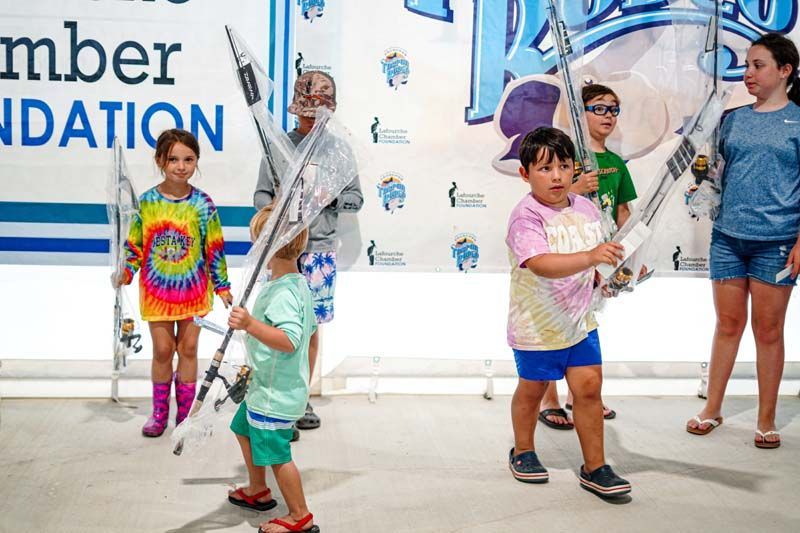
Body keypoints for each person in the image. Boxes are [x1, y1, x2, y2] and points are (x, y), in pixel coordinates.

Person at [686, 33, 800, 449]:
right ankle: (711, 408)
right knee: (727, 325)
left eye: (758, 65)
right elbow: (712, 173)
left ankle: (766, 420)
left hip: (777, 243)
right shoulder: (731, 119)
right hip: (727, 239)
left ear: (784, 71)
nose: (748, 73)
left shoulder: (799, 121)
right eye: (748, 65)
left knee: (768, 331)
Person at [506, 126, 631, 498]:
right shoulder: (525, 216)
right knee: (533, 390)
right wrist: (591, 258)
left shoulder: (587, 208)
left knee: (589, 389)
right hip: (537, 326)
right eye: (544, 169)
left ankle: (596, 466)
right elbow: (541, 263)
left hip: (580, 320)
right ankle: (523, 450)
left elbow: (599, 256)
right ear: (524, 174)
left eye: (563, 165)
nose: (556, 176)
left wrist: (610, 273)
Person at [254, 70, 364, 437]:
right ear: (296, 109)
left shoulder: (339, 150)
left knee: (311, 327)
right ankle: (273, 395)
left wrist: (330, 197)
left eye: (320, 110)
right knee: (279, 324)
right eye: (306, 111)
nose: (313, 117)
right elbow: (260, 194)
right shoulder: (278, 147)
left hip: (318, 251)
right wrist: (273, 213)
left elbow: (355, 197)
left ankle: (300, 398)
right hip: (283, 252)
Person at [113, 129, 233, 437]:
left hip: (194, 293)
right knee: (164, 350)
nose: (181, 166)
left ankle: (185, 415)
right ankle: (158, 413)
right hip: (157, 294)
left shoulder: (203, 204)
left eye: (188, 159)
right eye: (173, 159)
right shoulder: (147, 204)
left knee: (189, 348)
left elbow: (214, 247)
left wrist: (222, 286)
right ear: (159, 161)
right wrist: (125, 272)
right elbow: (135, 247)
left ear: (196, 162)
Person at [538, 84, 638, 429]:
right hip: (562, 252)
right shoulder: (564, 159)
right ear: (579, 115)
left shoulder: (615, 163)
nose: (608, 115)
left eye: (614, 109)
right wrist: (575, 187)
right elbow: (543, 199)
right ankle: (548, 397)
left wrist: (631, 253)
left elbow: (624, 211)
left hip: (597, 257)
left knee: (586, 322)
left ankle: (581, 394)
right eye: (599, 108)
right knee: (551, 324)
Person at [227, 206, 319, 533]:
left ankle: (299, 516)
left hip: (272, 395)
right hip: (268, 388)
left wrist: (250, 324)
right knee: (242, 428)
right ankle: (257, 489)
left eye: (258, 241)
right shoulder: (296, 284)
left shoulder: (283, 293)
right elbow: (312, 337)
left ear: (268, 247)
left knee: (279, 456)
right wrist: (303, 380)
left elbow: (291, 339)